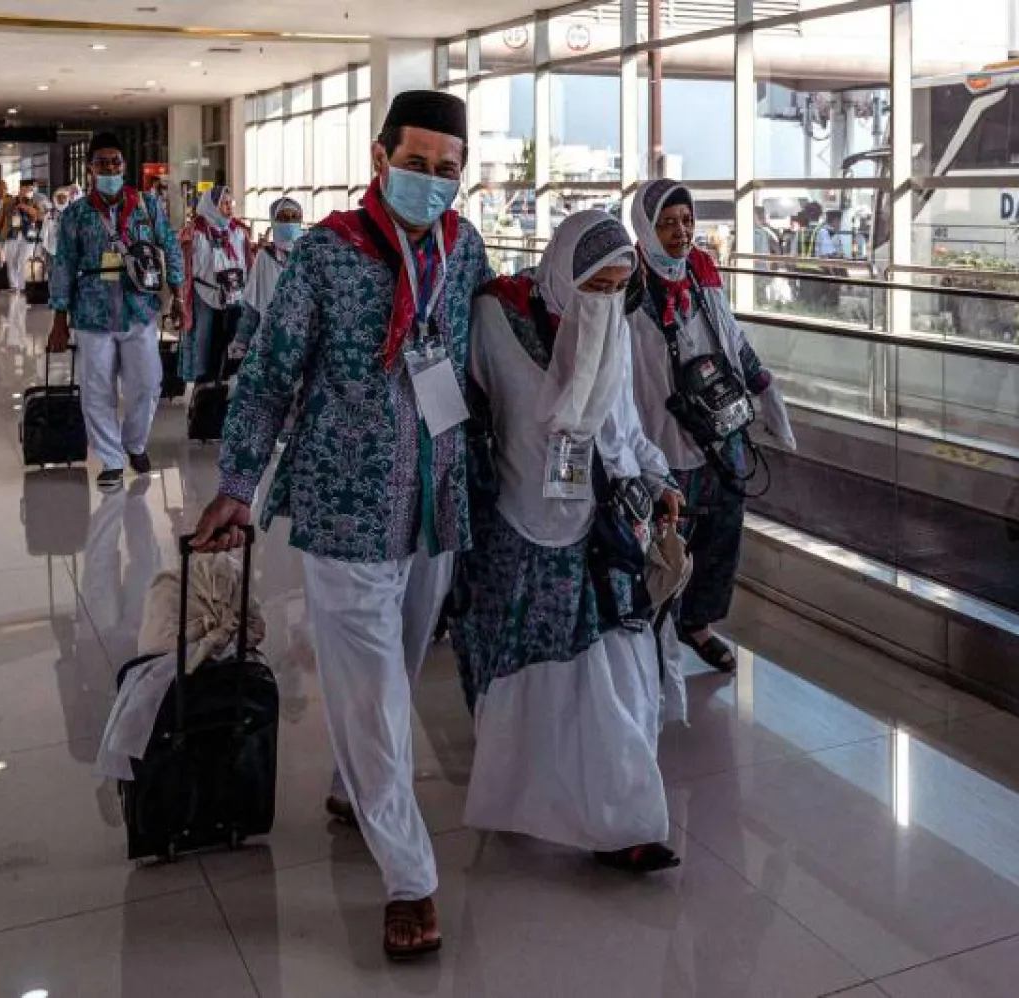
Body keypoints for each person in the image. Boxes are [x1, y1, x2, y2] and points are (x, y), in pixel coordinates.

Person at [190, 90, 491, 962]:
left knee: (394, 672)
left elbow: (480, 350)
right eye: (418, 164)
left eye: (448, 170)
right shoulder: (326, 255)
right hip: (347, 504)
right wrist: (240, 483)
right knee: (368, 694)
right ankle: (409, 877)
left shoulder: (462, 248)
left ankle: (349, 787)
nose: (433, 183)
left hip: (436, 501)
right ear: (379, 156)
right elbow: (269, 375)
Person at [454, 209, 682, 872]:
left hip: (600, 534)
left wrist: (659, 476)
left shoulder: (611, 328)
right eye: (595, 285)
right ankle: (532, 797)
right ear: (562, 271)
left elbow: (625, 427)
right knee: (529, 680)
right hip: (519, 533)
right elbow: (468, 413)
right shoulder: (496, 321)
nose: (605, 300)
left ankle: (624, 821)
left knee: (617, 678)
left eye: (617, 287)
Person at [626, 179, 796, 672]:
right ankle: (649, 633)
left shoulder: (702, 274)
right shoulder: (628, 285)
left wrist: (765, 390)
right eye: (667, 223)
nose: (680, 232)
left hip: (719, 437)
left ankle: (696, 624)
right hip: (659, 435)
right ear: (645, 226)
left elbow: (732, 339)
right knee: (662, 541)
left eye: (686, 221)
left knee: (722, 532)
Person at [48, 132, 187, 491]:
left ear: (124, 167)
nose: (109, 168)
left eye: (115, 162)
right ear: (91, 169)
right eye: (102, 162)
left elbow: (169, 245)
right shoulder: (77, 214)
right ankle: (110, 459)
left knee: (148, 383)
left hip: (138, 307)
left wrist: (179, 293)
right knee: (97, 390)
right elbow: (63, 264)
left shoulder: (145, 205)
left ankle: (134, 443)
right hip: (92, 312)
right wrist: (59, 318)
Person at [182, 185, 249, 384]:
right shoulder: (195, 232)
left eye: (231, 203)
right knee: (206, 338)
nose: (229, 208)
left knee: (232, 338)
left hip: (234, 293)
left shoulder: (238, 231)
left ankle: (227, 378)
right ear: (211, 206)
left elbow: (247, 260)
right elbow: (186, 264)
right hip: (205, 293)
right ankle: (205, 381)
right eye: (224, 204)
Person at [230, 196, 302, 360]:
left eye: (294, 218)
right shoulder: (265, 257)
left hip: (302, 341)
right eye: (283, 218)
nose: (289, 223)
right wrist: (241, 340)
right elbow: (252, 304)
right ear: (274, 221)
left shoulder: (308, 256)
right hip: (270, 340)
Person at [0, 177, 50, 292]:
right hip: (11, 235)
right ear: (21, 189)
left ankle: (22, 286)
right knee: (11, 260)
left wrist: (27, 208)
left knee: (24, 260)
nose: (28, 191)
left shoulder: (35, 202)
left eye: (30, 189)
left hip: (28, 236)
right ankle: (13, 284)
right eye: (26, 188)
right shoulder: (9, 202)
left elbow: (40, 216)